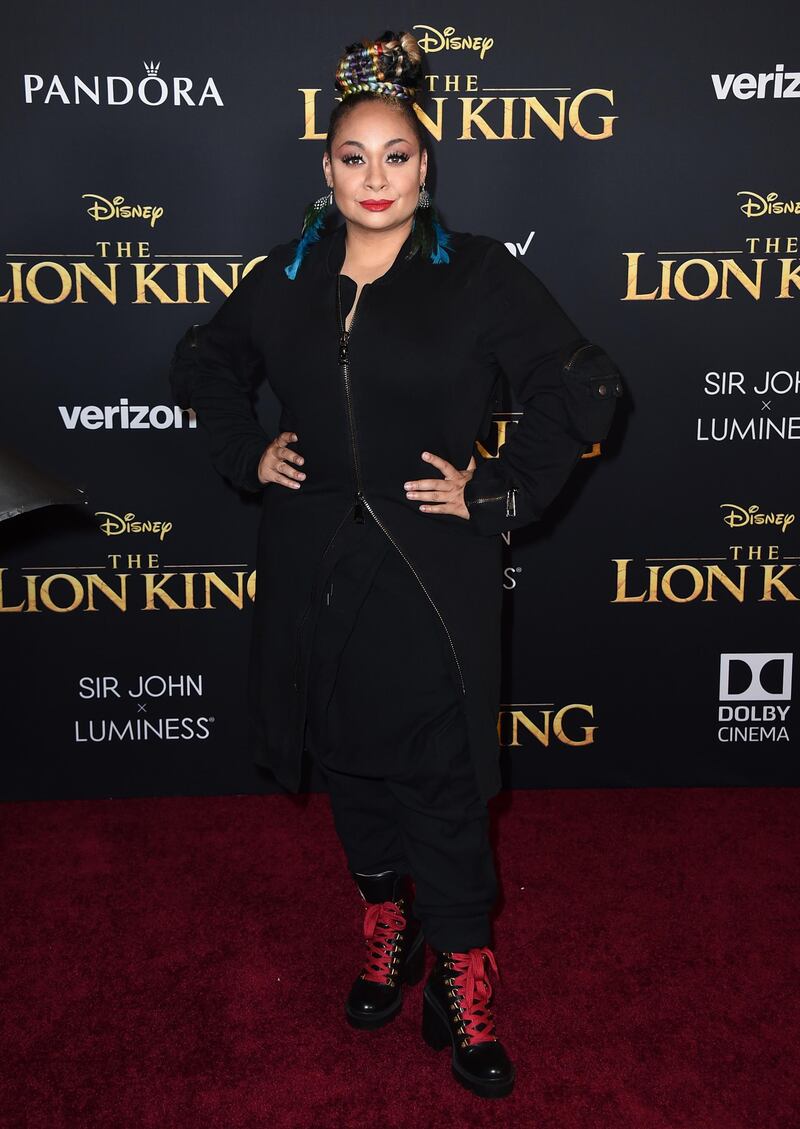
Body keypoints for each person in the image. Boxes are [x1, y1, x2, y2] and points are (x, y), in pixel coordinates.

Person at [169, 28, 623, 1100]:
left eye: (397, 156)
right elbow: (204, 361)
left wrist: (499, 489)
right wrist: (246, 451)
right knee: (350, 761)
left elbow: (585, 383)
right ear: (323, 169)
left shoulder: (475, 275)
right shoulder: (283, 279)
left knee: (441, 781)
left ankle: (462, 969)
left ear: (428, 165)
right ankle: (387, 916)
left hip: (430, 569)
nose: (375, 178)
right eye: (353, 157)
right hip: (312, 565)